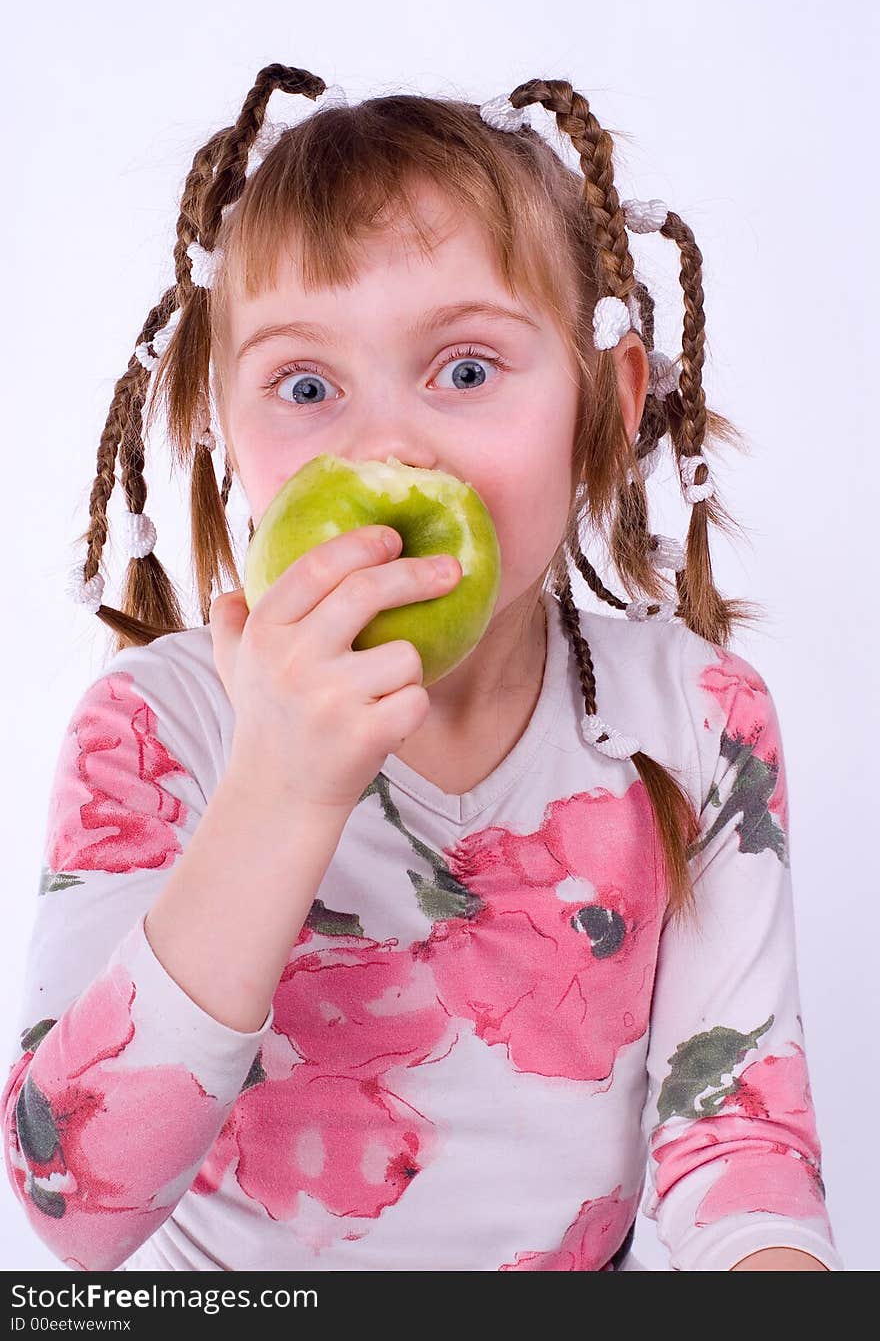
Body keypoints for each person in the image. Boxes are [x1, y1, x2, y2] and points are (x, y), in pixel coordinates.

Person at [1, 63, 844, 1273]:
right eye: (305, 386)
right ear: (224, 426)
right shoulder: (158, 726)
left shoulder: (696, 719)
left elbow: (735, 1142)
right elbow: (72, 1206)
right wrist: (280, 792)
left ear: (599, 404)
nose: (383, 447)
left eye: (464, 368)